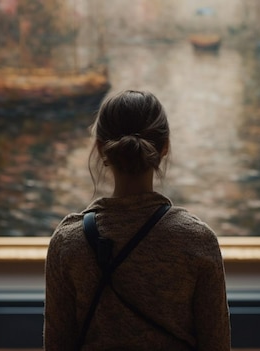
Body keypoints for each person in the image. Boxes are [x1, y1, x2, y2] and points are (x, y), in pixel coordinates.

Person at [44, 90, 231, 350]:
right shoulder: (197, 241)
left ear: (100, 149)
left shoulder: (68, 243)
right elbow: (217, 345)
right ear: (164, 148)